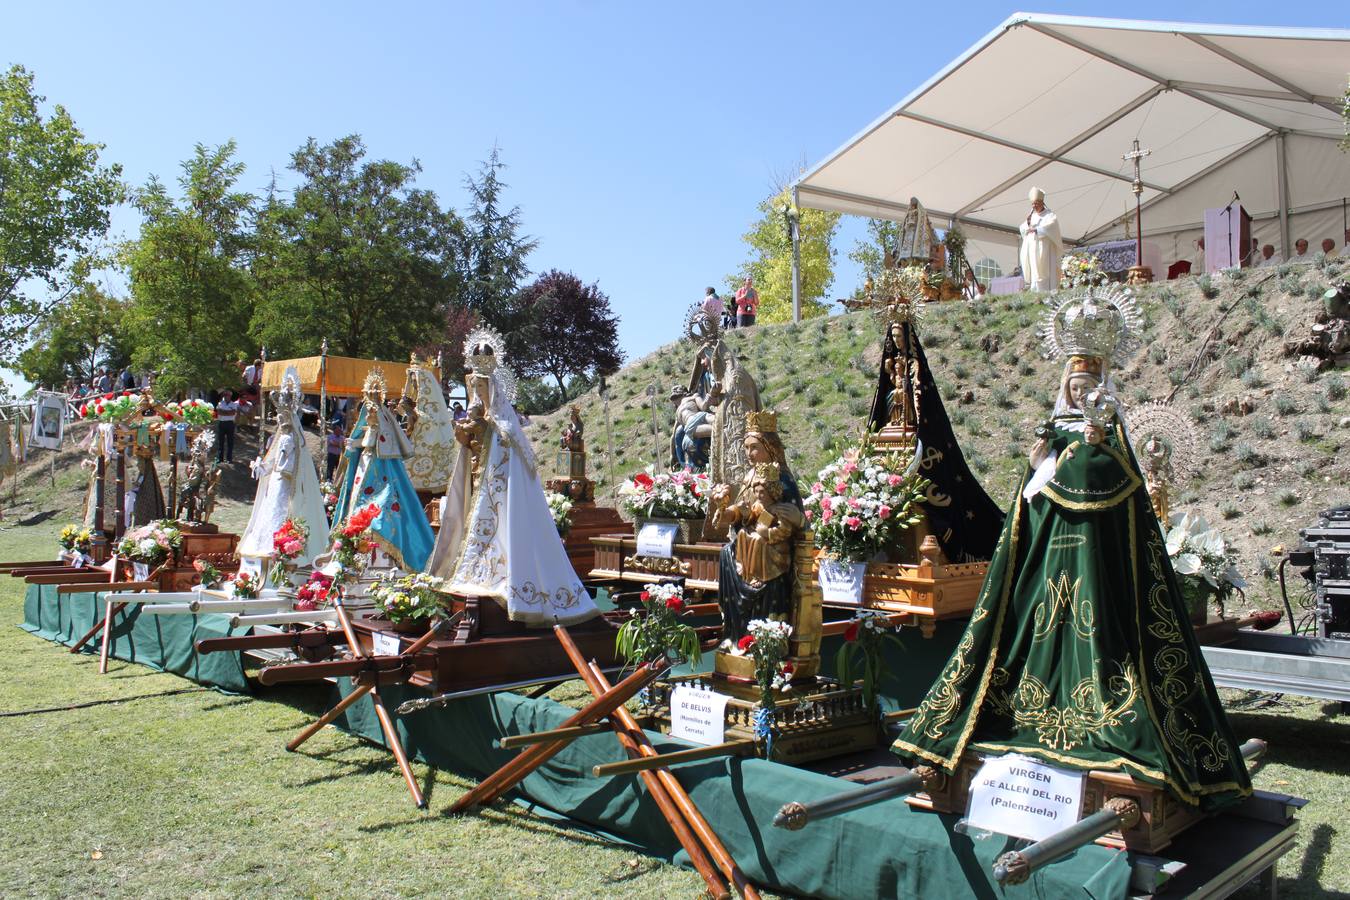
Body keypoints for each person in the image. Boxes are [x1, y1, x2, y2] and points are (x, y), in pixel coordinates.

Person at [893, 289, 1252, 814]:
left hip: (1098, 561)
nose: (1081, 394)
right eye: (1074, 386)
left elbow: (1118, 488)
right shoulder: (1056, 432)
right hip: (1050, 557)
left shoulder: (1111, 436)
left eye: (1089, 386)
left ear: (1103, 390)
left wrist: (1092, 448)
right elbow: (1030, 499)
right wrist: (1044, 462)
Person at [427, 328, 598, 625]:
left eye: (481, 388)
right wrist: (467, 434)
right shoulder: (484, 421)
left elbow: (507, 458)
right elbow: (469, 444)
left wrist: (483, 430)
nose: (476, 394)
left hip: (497, 492)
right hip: (477, 482)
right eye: (474, 388)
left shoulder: (505, 429)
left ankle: (508, 579)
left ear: (492, 389)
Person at [238, 367, 331, 572]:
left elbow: (281, 459)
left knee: (283, 509)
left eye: (282, 417)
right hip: (279, 478)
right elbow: (274, 458)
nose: (280, 421)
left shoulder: (289, 438)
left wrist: (271, 467)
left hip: (285, 478)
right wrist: (263, 467)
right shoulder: (285, 436)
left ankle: (283, 548)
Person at [1017, 187, 1062, 291]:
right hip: (1032, 247)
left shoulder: (1049, 215)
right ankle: (1035, 289)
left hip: (1045, 248)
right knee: (1034, 269)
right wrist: (1028, 227)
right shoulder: (1031, 216)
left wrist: (1038, 230)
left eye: (1036, 203)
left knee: (1045, 269)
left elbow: (1052, 227)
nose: (1034, 206)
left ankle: (1048, 290)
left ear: (1042, 202)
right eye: (1033, 204)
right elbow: (1022, 227)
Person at [215, 389, 238, 463]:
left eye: (228, 395)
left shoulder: (233, 404)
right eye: (225, 395)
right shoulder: (220, 403)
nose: (226, 396)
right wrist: (228, 412)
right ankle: (220, 458)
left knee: (230, 442)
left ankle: (229, 459)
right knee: (220, 442)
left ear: (230, 396)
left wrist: (224, 412)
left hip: (230, 424)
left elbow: (233, 413)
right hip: (221, 423)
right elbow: (219, 412)